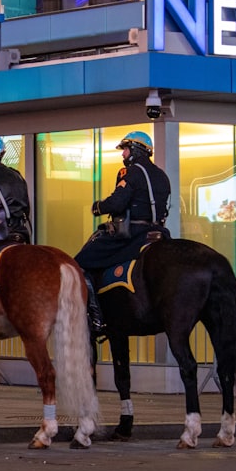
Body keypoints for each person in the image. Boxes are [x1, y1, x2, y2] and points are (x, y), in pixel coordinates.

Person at [74, 131, 171, 336]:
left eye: (125, 150)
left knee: (80, 263)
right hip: (158, 232)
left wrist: (98, 206)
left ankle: (96, 317)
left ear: (135, 150)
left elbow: (118, 202)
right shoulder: (161, 174)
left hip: (134, 233)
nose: (123, 155)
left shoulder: (133, 172)